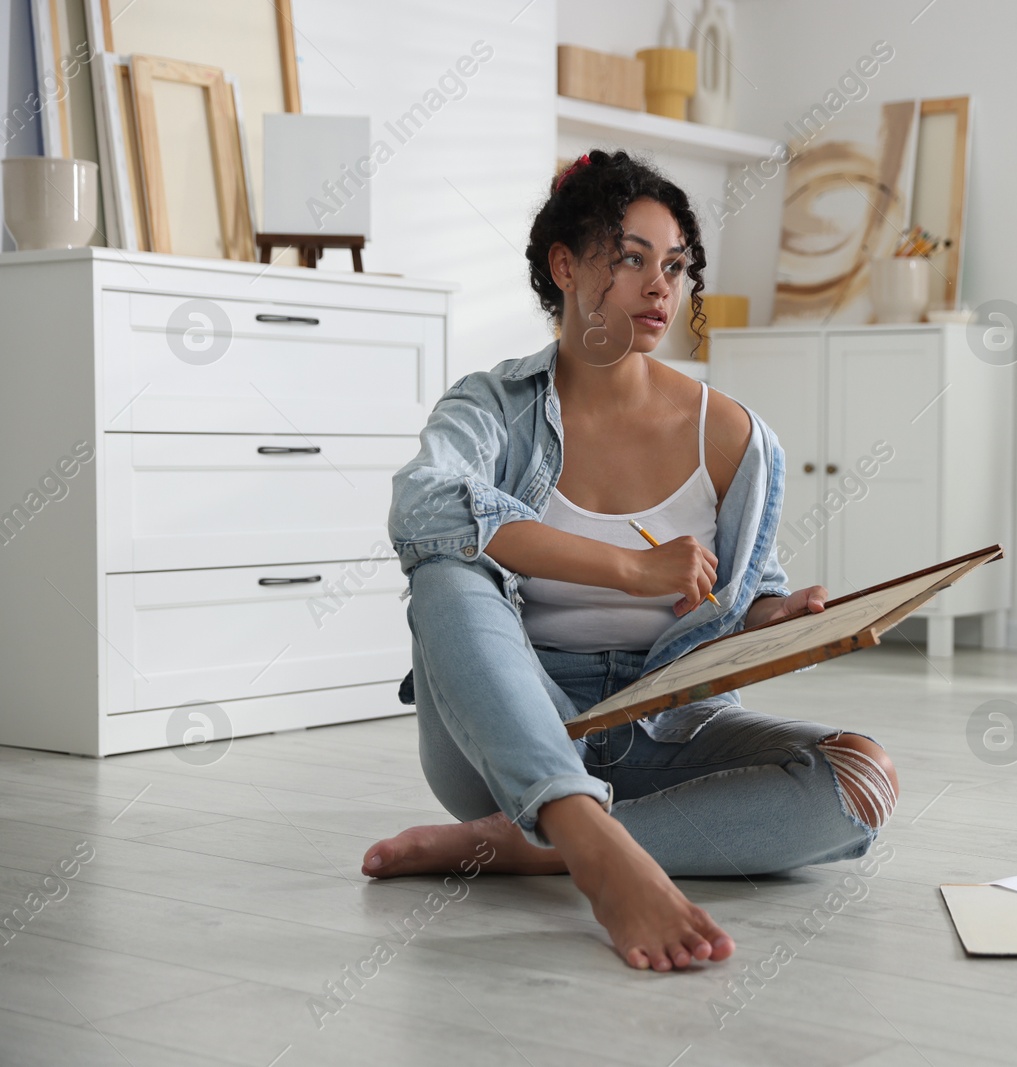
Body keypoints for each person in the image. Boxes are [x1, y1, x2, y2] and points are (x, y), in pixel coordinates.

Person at [362, 150, 899, 972]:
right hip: (506, 735)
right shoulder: (492, 407)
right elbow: (421, 507)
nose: (661, 287)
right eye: (633, 258)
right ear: (567, 265)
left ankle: (526, 847)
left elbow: (748, 588)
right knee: (446, 566)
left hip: (662, 728)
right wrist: (629, 568)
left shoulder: (733, 435)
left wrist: (776, 619)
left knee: (859, 778)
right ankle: (599, 854)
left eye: (676, 265)